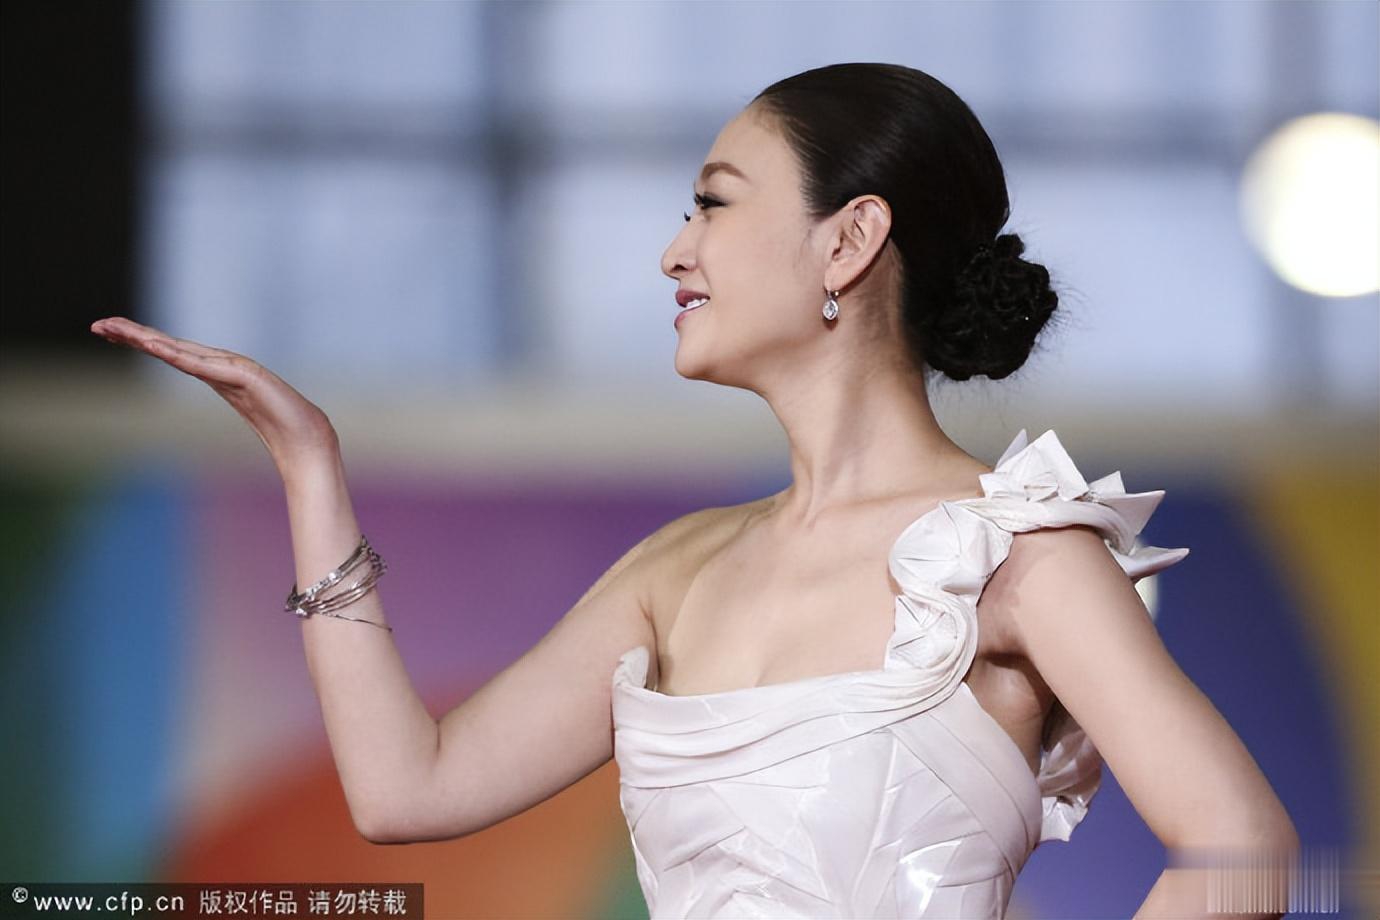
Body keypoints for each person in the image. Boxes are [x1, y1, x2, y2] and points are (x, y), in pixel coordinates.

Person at [92, 62, 1297, 919]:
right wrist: (310, 469)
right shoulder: (676, 570)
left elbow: (1241, 844)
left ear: (847, 240)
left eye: (713, 202)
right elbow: (410, 786)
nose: (675, 250)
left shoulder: (1017, 555)